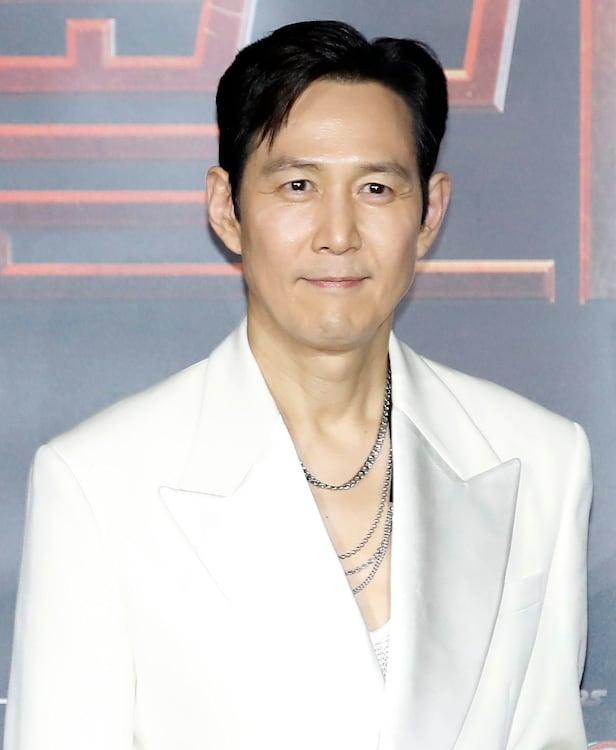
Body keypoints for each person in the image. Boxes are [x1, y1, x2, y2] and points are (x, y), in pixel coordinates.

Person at [4, 19, 592, 750]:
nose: (337, 233)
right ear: (227, 208)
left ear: (430, 212)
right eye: (298, 185)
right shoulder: (97, 483)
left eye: (376, 188)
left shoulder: (542, 460)